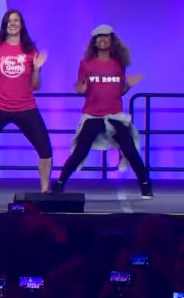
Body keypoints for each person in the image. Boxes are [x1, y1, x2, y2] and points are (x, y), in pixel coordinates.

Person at [52, 25, 152, 198]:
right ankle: (59, 184)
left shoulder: (118, 63)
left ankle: (145, 185)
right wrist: (80, 89)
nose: (102, 40)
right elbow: (83, 88)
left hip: (115, 115)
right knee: (80, 151)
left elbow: (119, 90)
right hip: (92, 115)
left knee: (130, 149)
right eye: (98, 37)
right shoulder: (86, 63)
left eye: (105, 37)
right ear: (94, 42)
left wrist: (128, 85)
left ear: (112, 40)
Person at [0, 9, 52, 203]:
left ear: (21, 25)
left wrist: (38, 69)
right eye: (9, 21)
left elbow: (36, 86)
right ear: (4, 25)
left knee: (45, 151)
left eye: (16, 21)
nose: (13, 24)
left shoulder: (30, 51)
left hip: (26, 107)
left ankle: (46, 191)